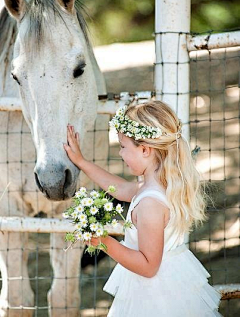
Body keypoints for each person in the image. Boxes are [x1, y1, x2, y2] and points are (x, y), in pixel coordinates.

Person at [63, 100, 223, 317]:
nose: (120, 153)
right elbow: (119, 188)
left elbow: (148, 266)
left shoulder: (150, 204)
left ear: (145, 149)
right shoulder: (157, 185)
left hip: (155, 296)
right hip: (167, 283)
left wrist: (104, 241)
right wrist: (81, 161)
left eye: (123, 146)